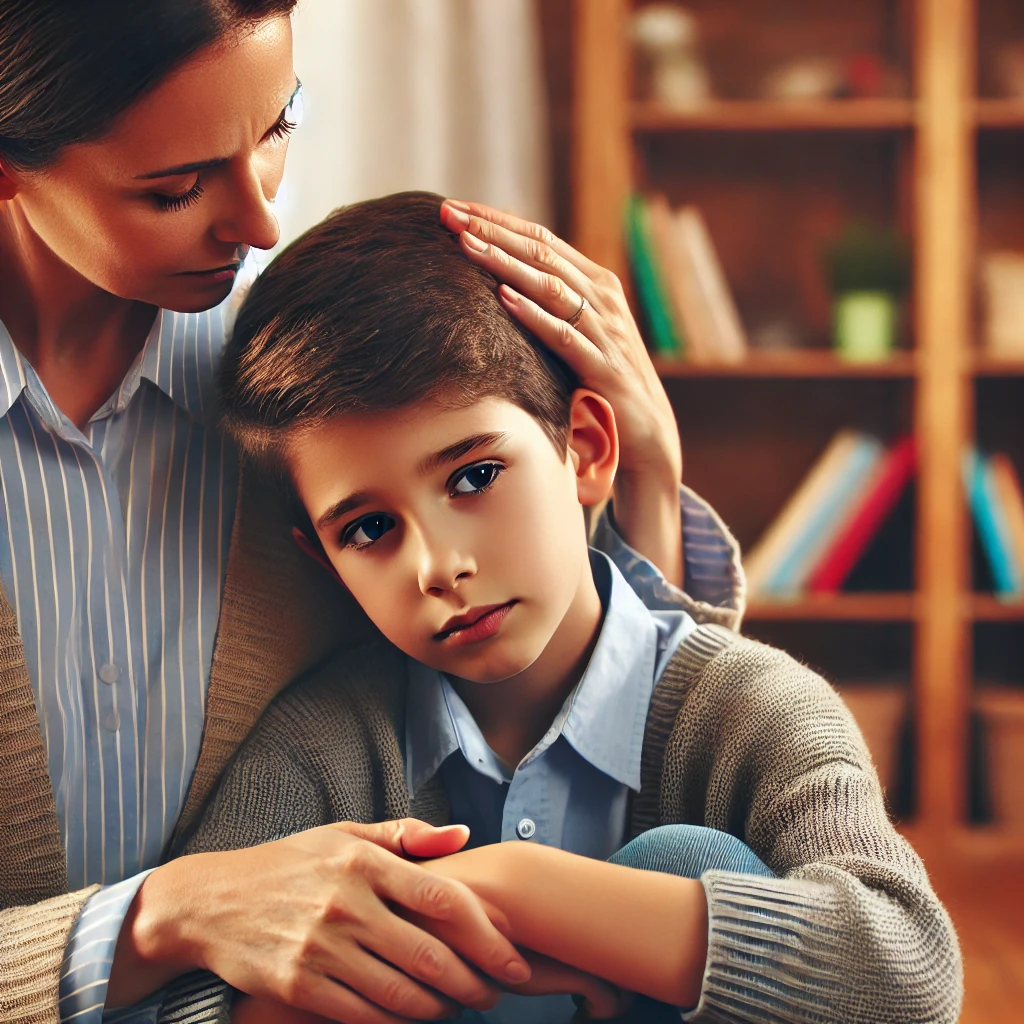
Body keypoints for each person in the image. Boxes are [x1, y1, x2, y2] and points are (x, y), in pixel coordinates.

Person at [0, 4, 746, 1023]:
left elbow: (605, 764)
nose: (261, 223)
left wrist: (643, 484)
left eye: (276, 128)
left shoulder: (305, 403)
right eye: (174, 190)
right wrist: (155, 918)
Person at [168, 192, 962, 1024]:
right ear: (325, 561)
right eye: (370, 529)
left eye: (474, 476)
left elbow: (907, 974)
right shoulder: (324, 743)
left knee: (681, 859)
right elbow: (191, 990)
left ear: (584, 447)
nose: (441, 567)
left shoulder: (750, 708)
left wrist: (514, 886)